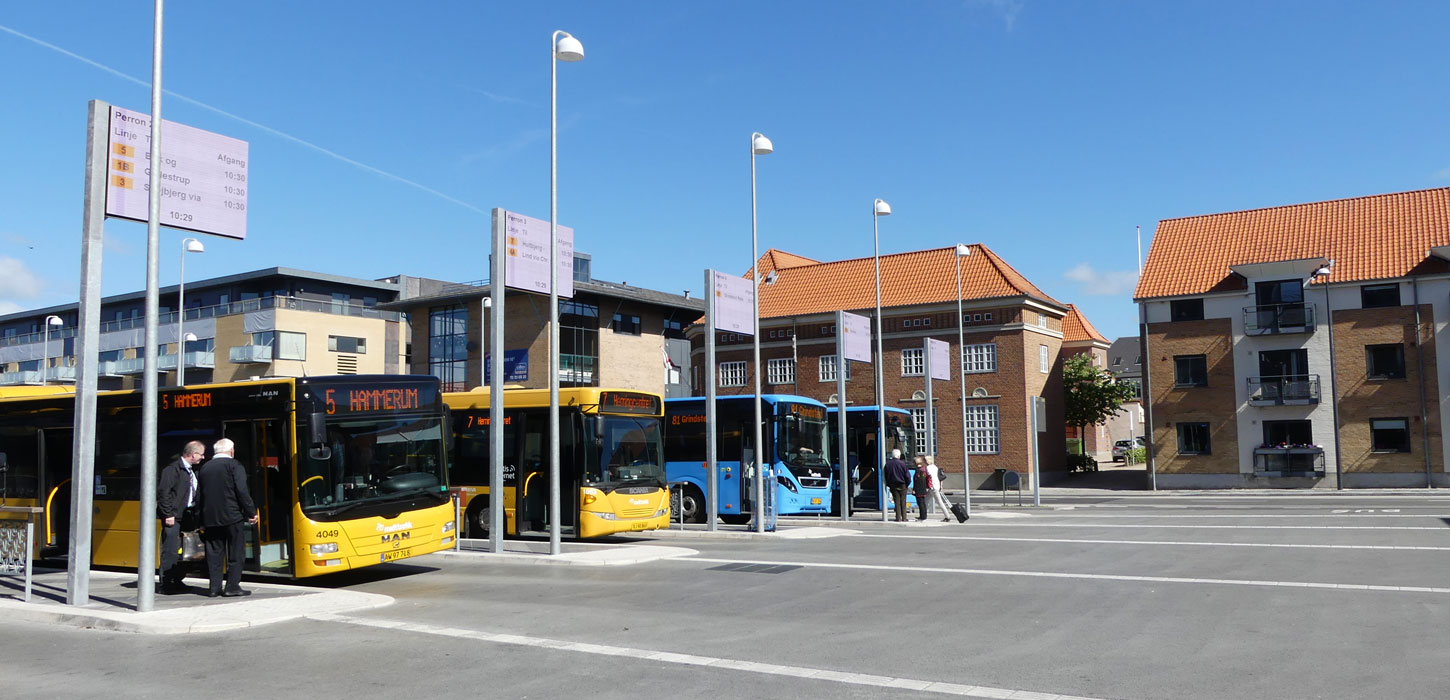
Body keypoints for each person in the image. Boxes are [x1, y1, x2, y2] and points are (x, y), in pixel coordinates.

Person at [198, 438, 258, 597]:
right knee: (236, 552)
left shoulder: (205, 468)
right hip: (232, 516)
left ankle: (214, 587)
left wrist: (200, 520)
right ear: (231, 451)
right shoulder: (234, 466)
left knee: (214, 553)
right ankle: (232, 586)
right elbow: (242, 491)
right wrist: (251, 512)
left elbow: (199, 497)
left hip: (210, 518)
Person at [157, 440, 205, 594]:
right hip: (174, 516)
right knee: (170, 550)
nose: (202, 458)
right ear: (193, 454)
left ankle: (178, 580)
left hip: (188, 515)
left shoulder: (192, 471)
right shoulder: (172, 470)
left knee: (186, 550)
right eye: (201, 454)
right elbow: (164, 493)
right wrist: (168, 514)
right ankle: (167, 583)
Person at [882, 449, 912, 522]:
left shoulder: (888, 464)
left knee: (896, 501)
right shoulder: (903, 464)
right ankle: (904, 517)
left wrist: (889, 484)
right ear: (899, 455)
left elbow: (886, 476)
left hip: (893, 485)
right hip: (902, 484)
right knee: (903, 501)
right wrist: (907, 484)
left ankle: (898, 517)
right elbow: (907, 476)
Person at [925, 455, 953, 522]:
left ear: (927, 461)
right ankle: (923, 515)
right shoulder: (935, 467)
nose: (924, 461)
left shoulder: (928, 468)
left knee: (939, 502)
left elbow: (929, 476)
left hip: (932, 487)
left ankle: (947, 516)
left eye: (925, 460)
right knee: (925, 501)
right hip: (935, 486)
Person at [911, 456, 932, 521]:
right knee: (922, 502)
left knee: (920, 503)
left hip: (919, 489)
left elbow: (917, 481)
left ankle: (922, 516)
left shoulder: (919, 470)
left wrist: (914, 489)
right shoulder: (923, 469)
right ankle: (923, 515)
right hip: (923, 488)